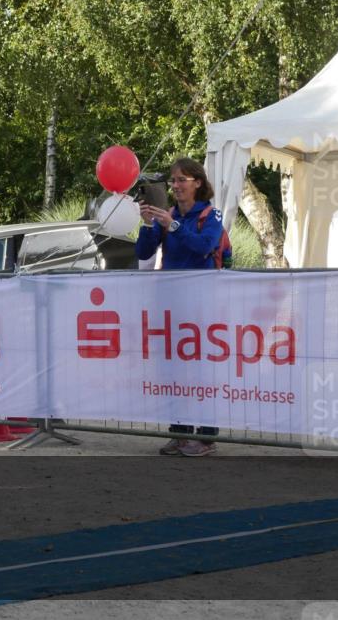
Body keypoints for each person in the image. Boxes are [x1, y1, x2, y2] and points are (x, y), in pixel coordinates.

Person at [136, 157, 223, 457]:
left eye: (181, 180)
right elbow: (144, 252)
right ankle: (180, 432)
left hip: (201, 305)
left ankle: (207, 436)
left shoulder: (211, 214)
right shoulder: (168, 214)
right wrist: (149, 224)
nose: (175, 186)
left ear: (198, 183)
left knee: (200, 370)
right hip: (171, 304)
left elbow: (204, 247)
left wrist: (171, 225)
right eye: (173, 181)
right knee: (172, 369)